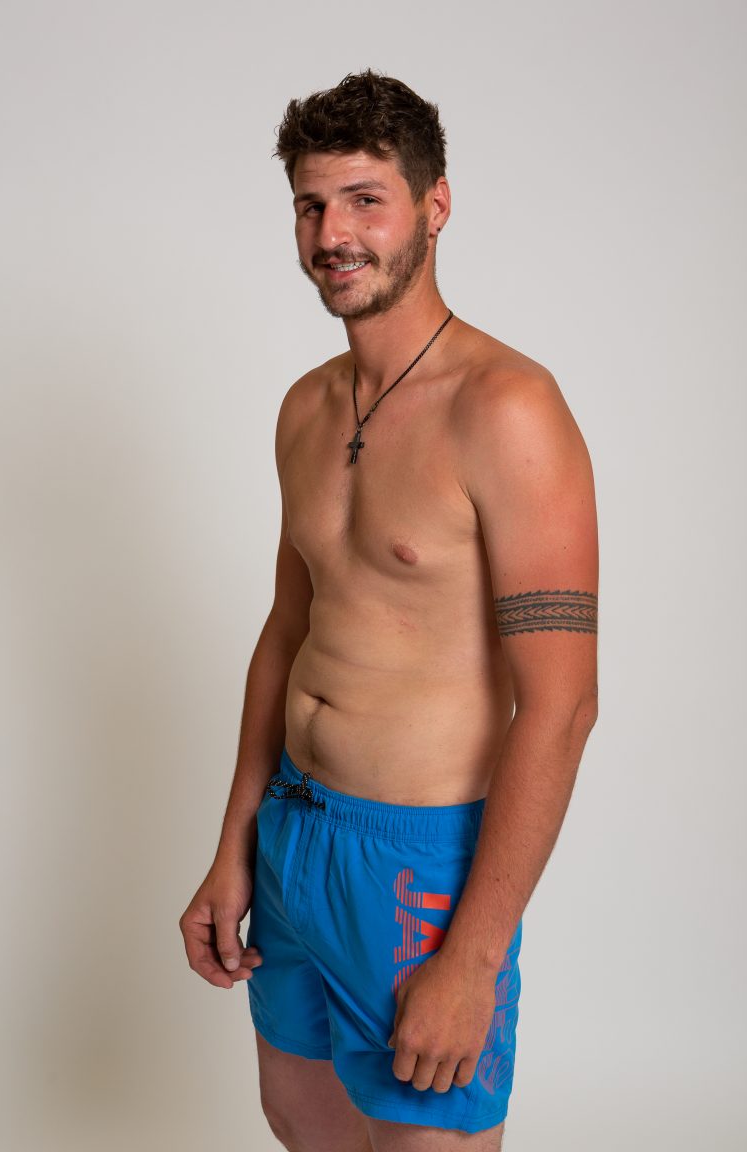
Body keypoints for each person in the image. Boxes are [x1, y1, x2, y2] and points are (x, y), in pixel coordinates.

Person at [180, 70, 599, 1152]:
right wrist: (233, 846)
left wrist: (475, 956)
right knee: (300, 1118)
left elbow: (561, 708)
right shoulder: (306, 407)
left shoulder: (508, 409)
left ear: (434, 205)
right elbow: (288, 634)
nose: (334, 234)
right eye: (312, 205)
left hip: (418, 862)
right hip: (292, 829)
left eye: (366, 200)